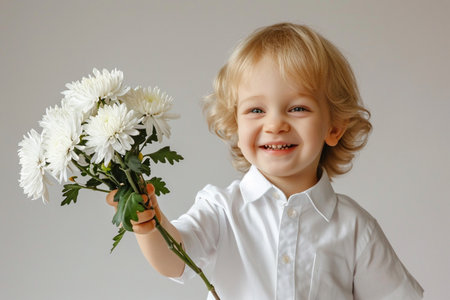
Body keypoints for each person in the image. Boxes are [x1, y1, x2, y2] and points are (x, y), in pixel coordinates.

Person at [107, 23, 424, 299]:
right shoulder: (222, 209)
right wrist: (148, 225)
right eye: (256, 110)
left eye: (297, 108)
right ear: (235, 123)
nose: (275, 125)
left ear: (334, 126)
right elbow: (175, 261)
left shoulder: (355, 228)